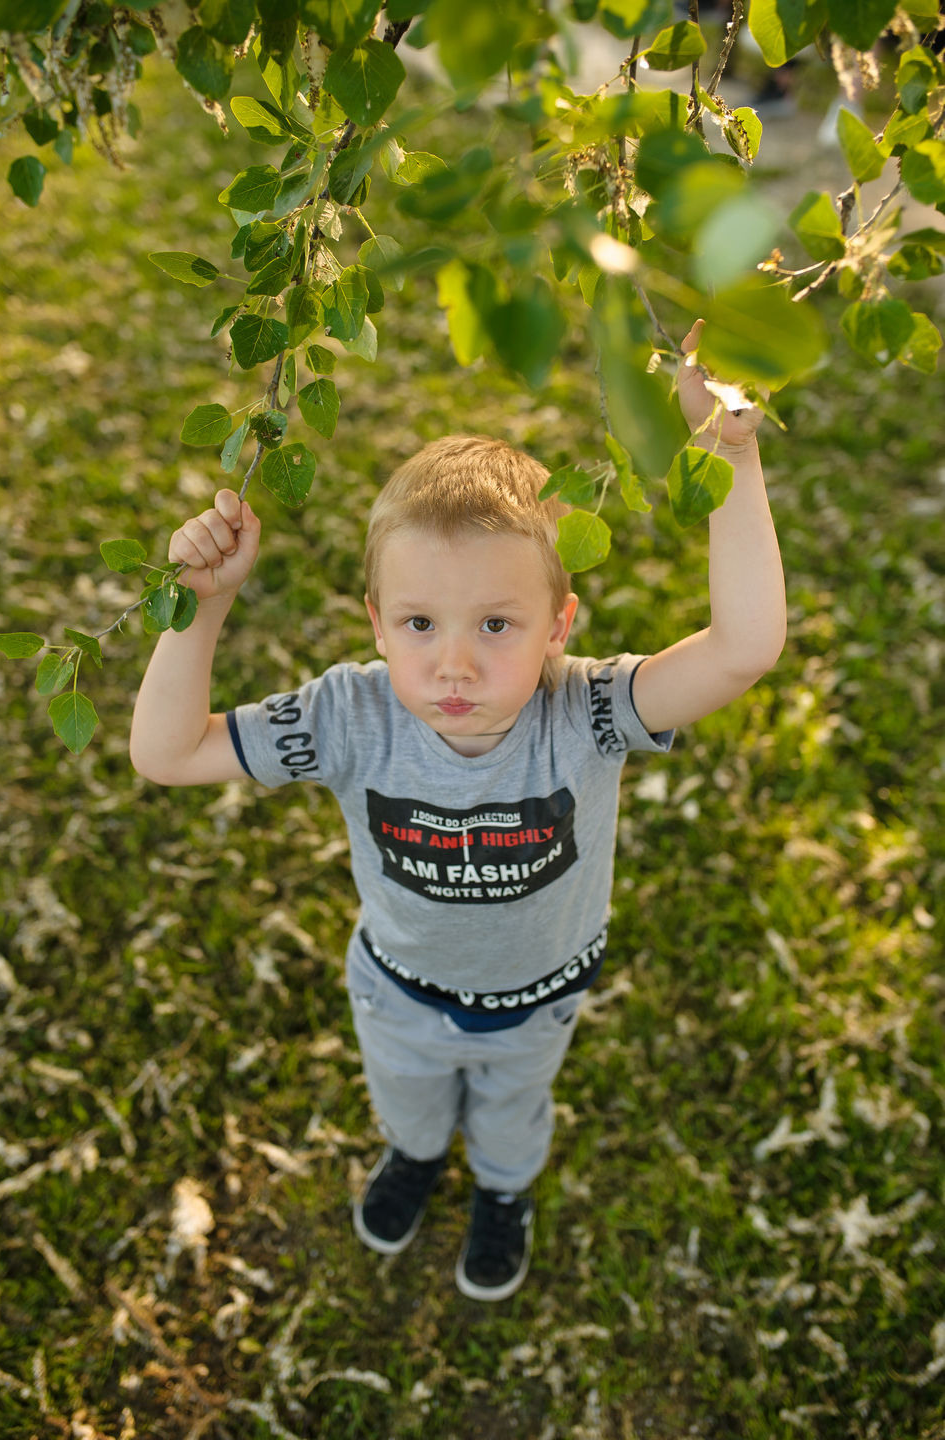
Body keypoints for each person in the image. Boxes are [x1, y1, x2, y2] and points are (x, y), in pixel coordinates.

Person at [130, 320, 787, 1302]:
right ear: (376, 625)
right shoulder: (349, 715)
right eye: (420, 624)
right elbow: (166, 753)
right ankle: (415, 1156)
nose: (453, 664)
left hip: (537, 999)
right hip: (397, 990)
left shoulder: (591, 710)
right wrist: (203, 606)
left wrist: (732, 458)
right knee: (407, 1101)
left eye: (496, 624)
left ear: (559, 623)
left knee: (516, 1111)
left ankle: (505, 1190)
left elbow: (743, 648)